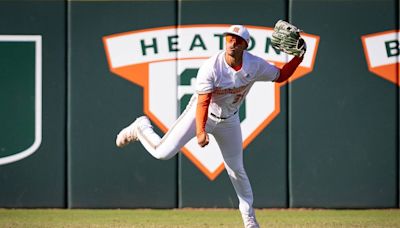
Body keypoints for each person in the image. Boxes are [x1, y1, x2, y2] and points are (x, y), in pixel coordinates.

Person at [116, 25, 304, 228]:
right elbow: (203, 101)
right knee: (163, 152)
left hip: (230, 120)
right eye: (229, 38)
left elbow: (281, 75)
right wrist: (200, 131)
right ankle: (141, 127)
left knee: (236, 170)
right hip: (201, 113)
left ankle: (249, 220)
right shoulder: (212, 66)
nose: (232, 43)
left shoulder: (255, 65)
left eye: (237, 40)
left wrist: (298, 58)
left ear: (244, 45)